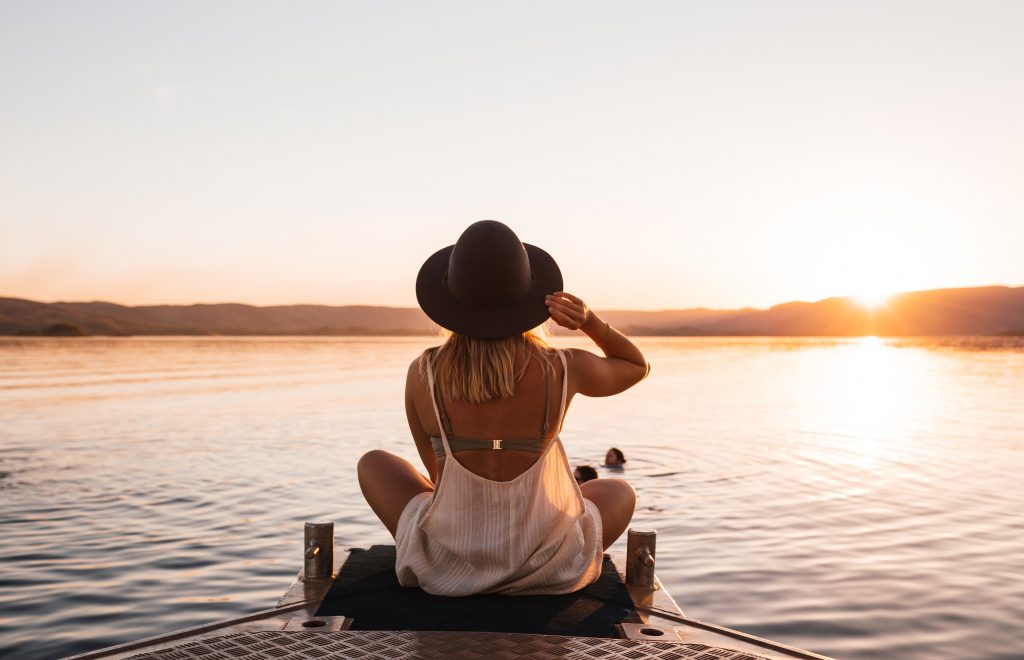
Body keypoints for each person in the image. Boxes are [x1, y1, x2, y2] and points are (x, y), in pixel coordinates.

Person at [357, 220, 649, 596]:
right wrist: (589, 322)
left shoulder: (422, 373)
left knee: (374, 463)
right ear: (530, 298)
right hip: (550, 567)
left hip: (446, 567)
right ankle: (519, 561)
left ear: (451, 302)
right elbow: (636, 366)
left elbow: (437, 479)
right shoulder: (563, 367)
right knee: (619, 490)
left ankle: (471, 555)